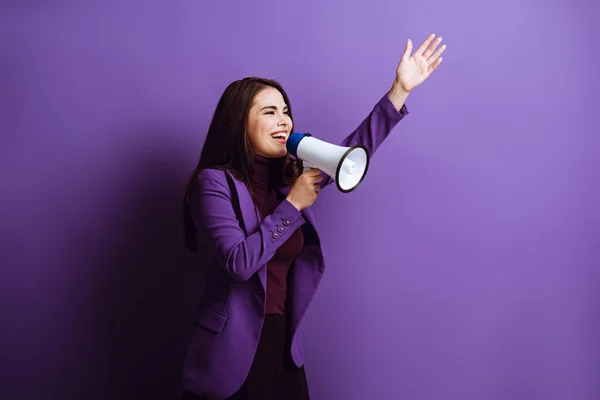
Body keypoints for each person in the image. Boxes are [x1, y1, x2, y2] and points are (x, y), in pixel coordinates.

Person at [181, 33, 446, 400]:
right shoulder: (214, 183)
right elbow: (239, 263)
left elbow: (351, 154)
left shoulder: (287, 180)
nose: (284, 120)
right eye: (269, 112)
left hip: (284, 348)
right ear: (238, 123)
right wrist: (292, 205)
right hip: (233, 351)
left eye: (286, 111)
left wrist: (398, 91)